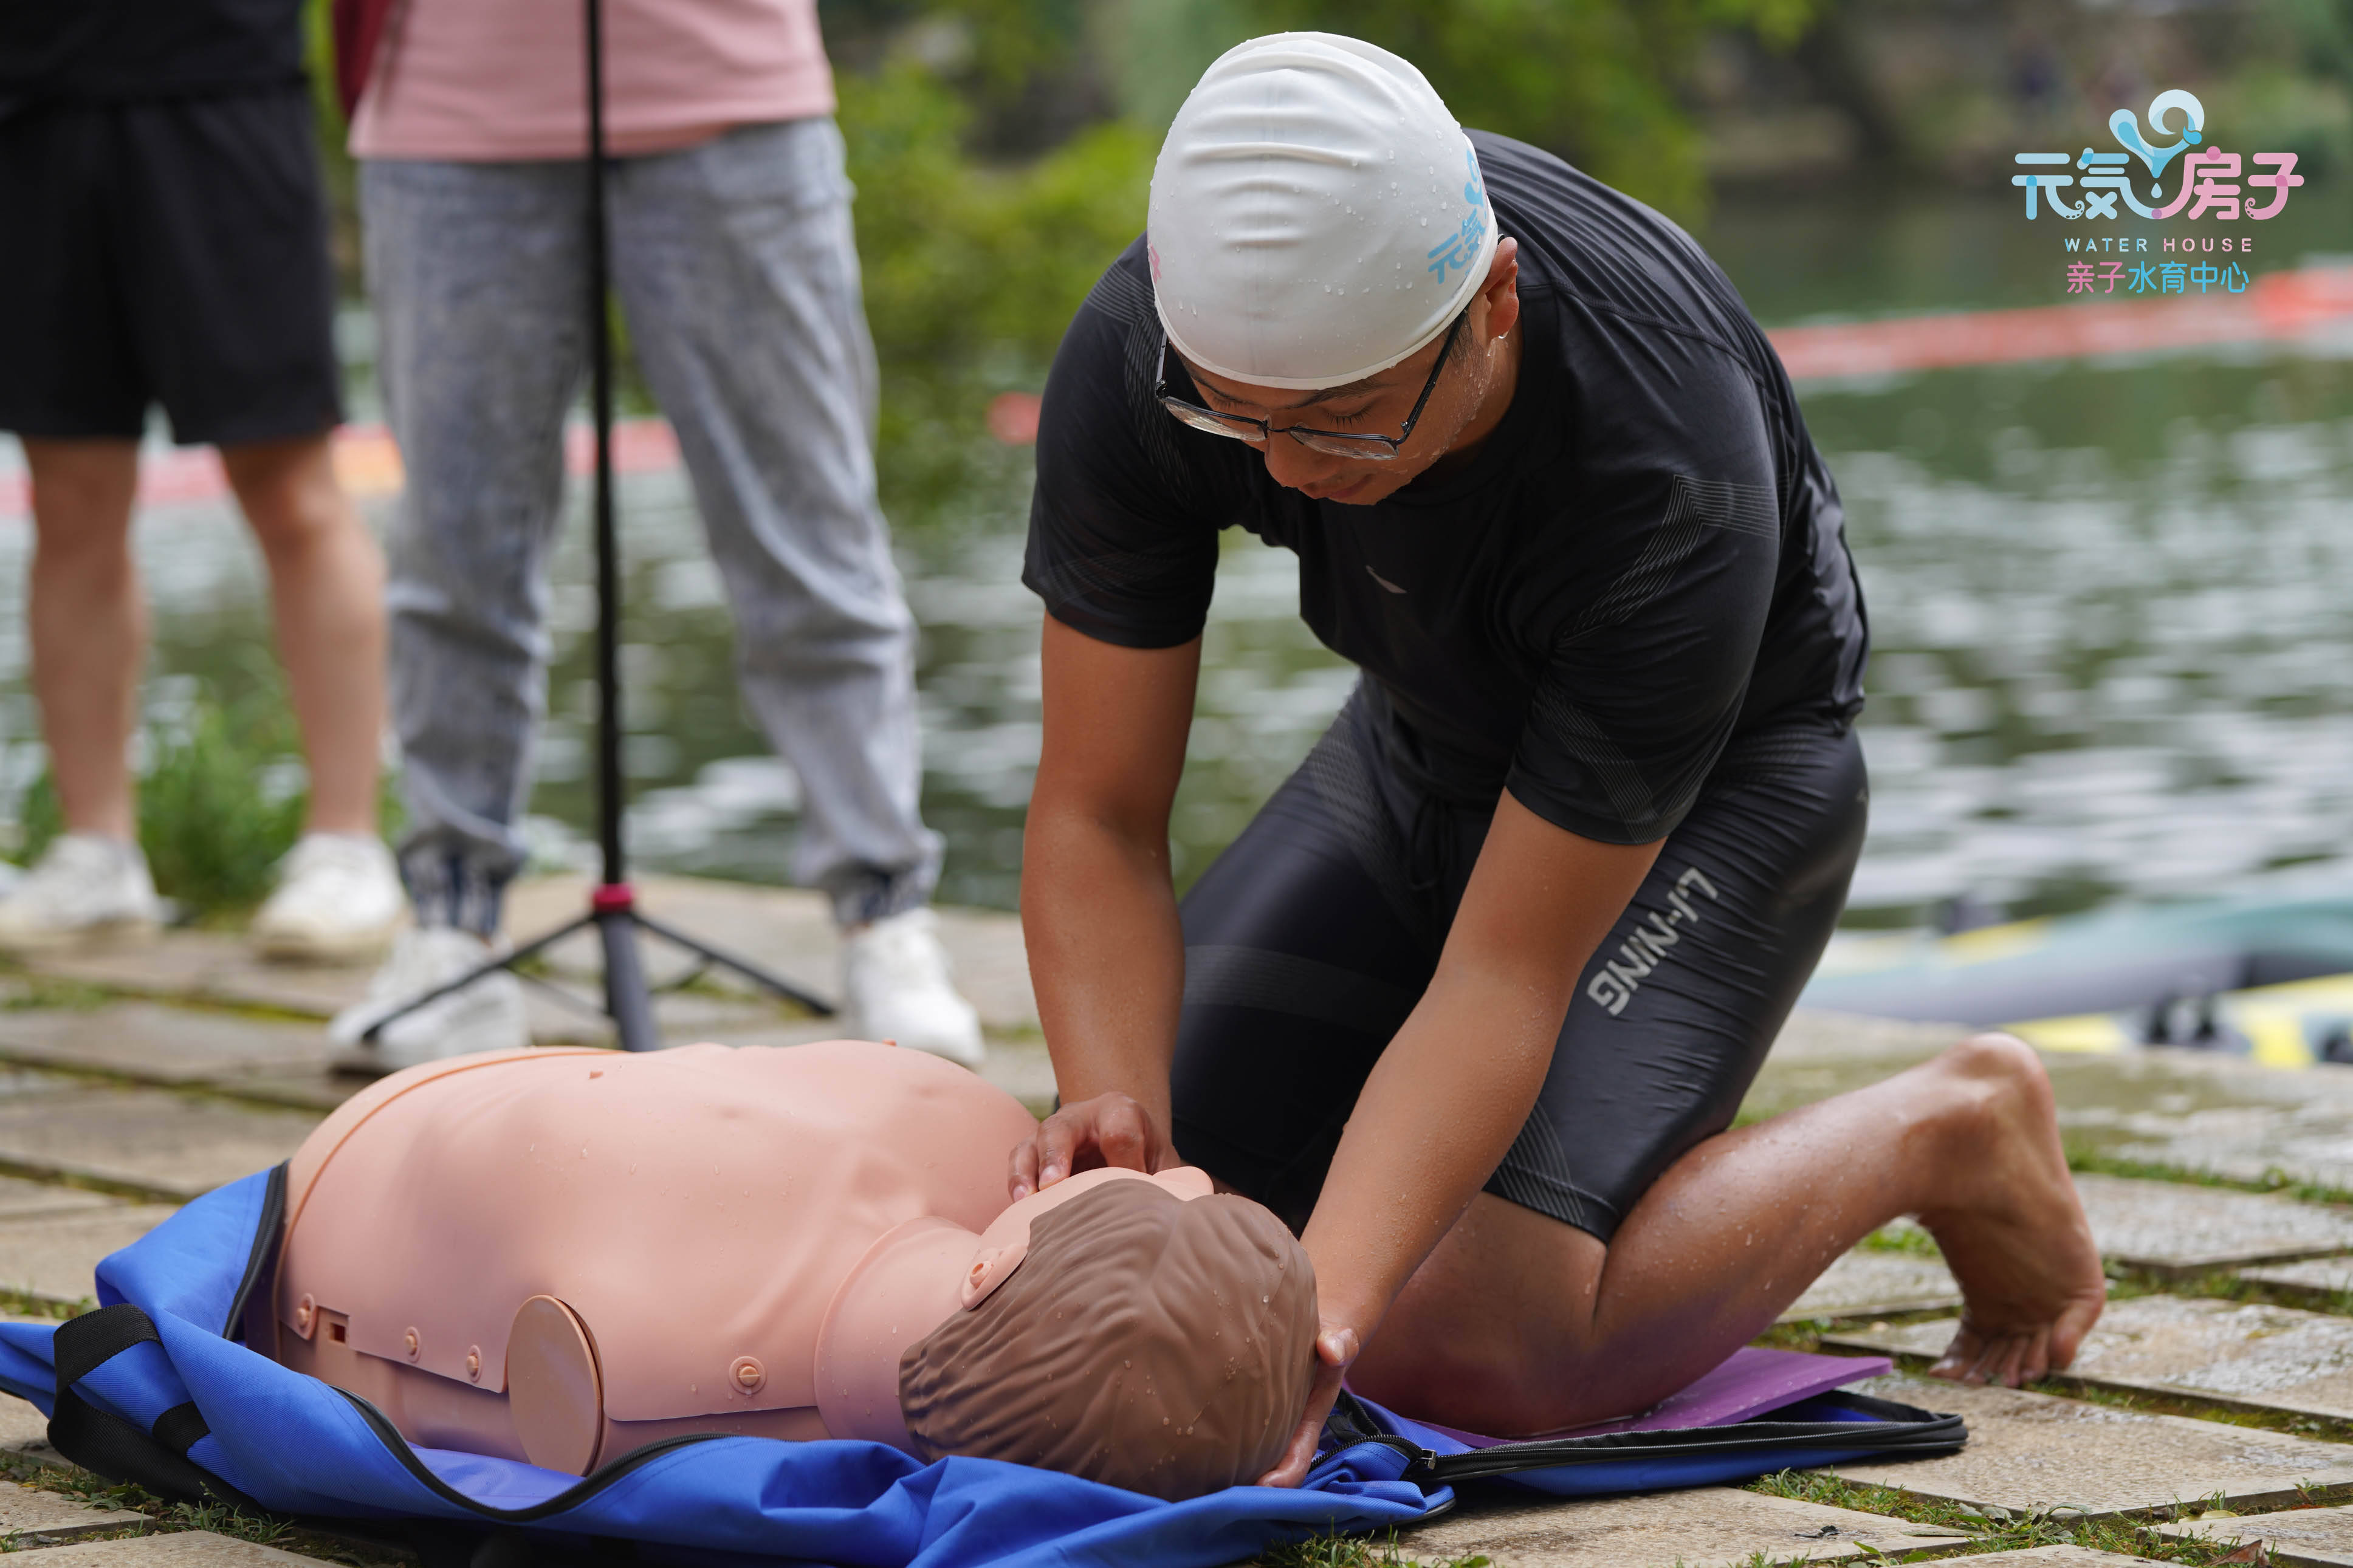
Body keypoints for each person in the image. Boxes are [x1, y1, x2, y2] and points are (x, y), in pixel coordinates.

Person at [1011, 32, 2108, 1485]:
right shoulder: (1148, 355)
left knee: (1470, 1344)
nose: (1281, 471)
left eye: (1340, 422)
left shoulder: (1666, 465)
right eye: (1241, 421)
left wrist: (1321, 1329)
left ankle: (1950, 1121)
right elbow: (1095, 811)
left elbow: (1502, 974)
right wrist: (1112, 1112)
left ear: (1494, 306)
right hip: (1417, 745)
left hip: (1720, 798)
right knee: (1180, 1203)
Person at [322, 0, 984, 1072]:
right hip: (451, 106)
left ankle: (884, 918)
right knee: (455, 553)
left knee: (807, 533)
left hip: (729, 89)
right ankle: (451, 925)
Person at [271, 1039, 1315, 1499]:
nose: (1172, 1174)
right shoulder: (974, 1143)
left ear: (991, 1268)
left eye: (1145, 1196)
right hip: (473, 1147)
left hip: (367, 1157)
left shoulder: (655, 1359)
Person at [0, 0, 404, 962]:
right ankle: (97, 853)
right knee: (68, 489)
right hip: (33, 95)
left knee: (291, 483)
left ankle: (347, 843)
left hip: (223, 85)